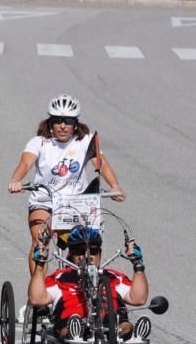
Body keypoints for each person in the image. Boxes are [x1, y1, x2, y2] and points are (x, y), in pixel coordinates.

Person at [7, 94, 125, 273]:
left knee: (90, 243)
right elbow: (25, 163)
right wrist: (16, 180)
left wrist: (115, 186)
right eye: (58, 121)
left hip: (77, 202)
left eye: (68, 121)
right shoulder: (39, 142)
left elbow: (101, 163)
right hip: (45, 202)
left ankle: (89, 282)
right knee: (40, 242)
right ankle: (39, 288)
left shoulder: (85, 141)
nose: (63, 126)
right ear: (50, 123)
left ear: (75, 124)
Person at [27, 226, 150, 344]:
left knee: (124, 325)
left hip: (111, 323)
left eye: (93, 251)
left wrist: (138, 264)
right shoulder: (61, 277)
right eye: (80, 251)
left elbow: (139, 299)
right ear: (71, 254)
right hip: (71, 321)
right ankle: (75, 337)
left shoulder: (113, 276)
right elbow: (36, 299)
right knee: (73, 324)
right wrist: (40, 264)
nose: (87, 256)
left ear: (100, 253)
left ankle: (132, 337)